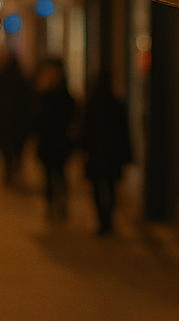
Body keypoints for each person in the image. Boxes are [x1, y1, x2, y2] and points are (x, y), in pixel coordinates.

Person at [79, 71, 132, 234]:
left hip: (96, 154)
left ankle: (102, 219)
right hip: (112, 154)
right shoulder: (117, 104)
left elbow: (84, 130)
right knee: (111, 187)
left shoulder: (91, 104)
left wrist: (83, 149)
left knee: (96, 186)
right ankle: (107, 219)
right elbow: (124, 132)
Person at [31, 57, 76, 218]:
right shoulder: (43, 94)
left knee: (57, 174)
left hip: (57, 141)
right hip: (51, 141)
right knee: (52, 175)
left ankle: (59, 203)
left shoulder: (59, 95)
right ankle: (53, 204)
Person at [0, 52, 30, 187]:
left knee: (6, 152)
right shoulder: (22, 80)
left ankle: (8, 174)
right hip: (18, 124)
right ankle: (14, 170)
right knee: (17, 151)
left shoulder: (1, 79)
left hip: (5, 122)